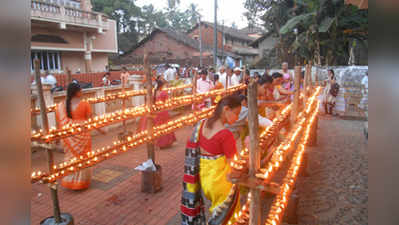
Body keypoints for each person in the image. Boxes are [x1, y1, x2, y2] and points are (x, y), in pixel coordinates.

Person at [181, 95, 242, 225]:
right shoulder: (226, 135)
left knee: (216, 212)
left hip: (206, 180)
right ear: (226, 109)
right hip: (222, 183)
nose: (237, 118)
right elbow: (234, 165)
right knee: (226, 217)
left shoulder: (202, 124)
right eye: (236, 113)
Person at [55, 83, 105, 190]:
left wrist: (58, 138)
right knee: (83, 159)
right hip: (83, 136)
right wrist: (101, 130)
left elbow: (60, 123)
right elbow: (91, 120)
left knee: (70, 158)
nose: (82, 93)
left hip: (68, 137)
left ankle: (69, 181)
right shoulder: (85, 104)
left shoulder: (61, 105)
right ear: (76, 92)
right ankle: (81, 183)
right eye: (81, 91)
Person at [137, 79, 176, 149]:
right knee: (163, 127)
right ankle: (163, 143)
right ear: (161, 86)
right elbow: (167, 102)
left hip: (154, 111)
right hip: (162, 112)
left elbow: (148, 101)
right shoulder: (163, 93)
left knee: (153, 127)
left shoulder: (152, 92)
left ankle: (154, 142)